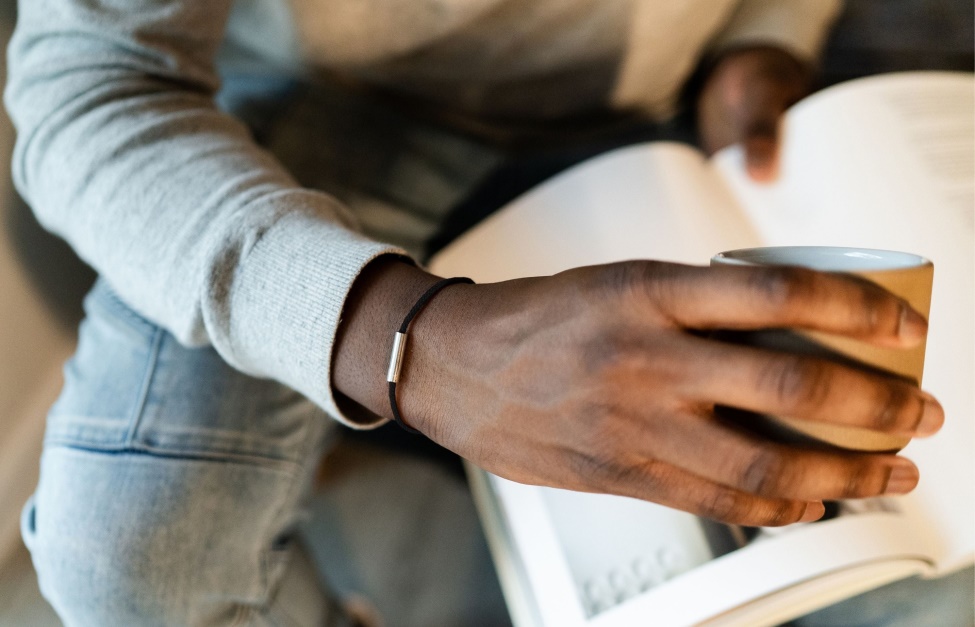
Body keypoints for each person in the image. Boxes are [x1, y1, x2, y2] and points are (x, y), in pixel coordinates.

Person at [5, 0, 957, 625]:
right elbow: (82, 91)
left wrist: (764, 34)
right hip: (327, 124)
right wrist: (412, 347)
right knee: (130, 558)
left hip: (665, 111)